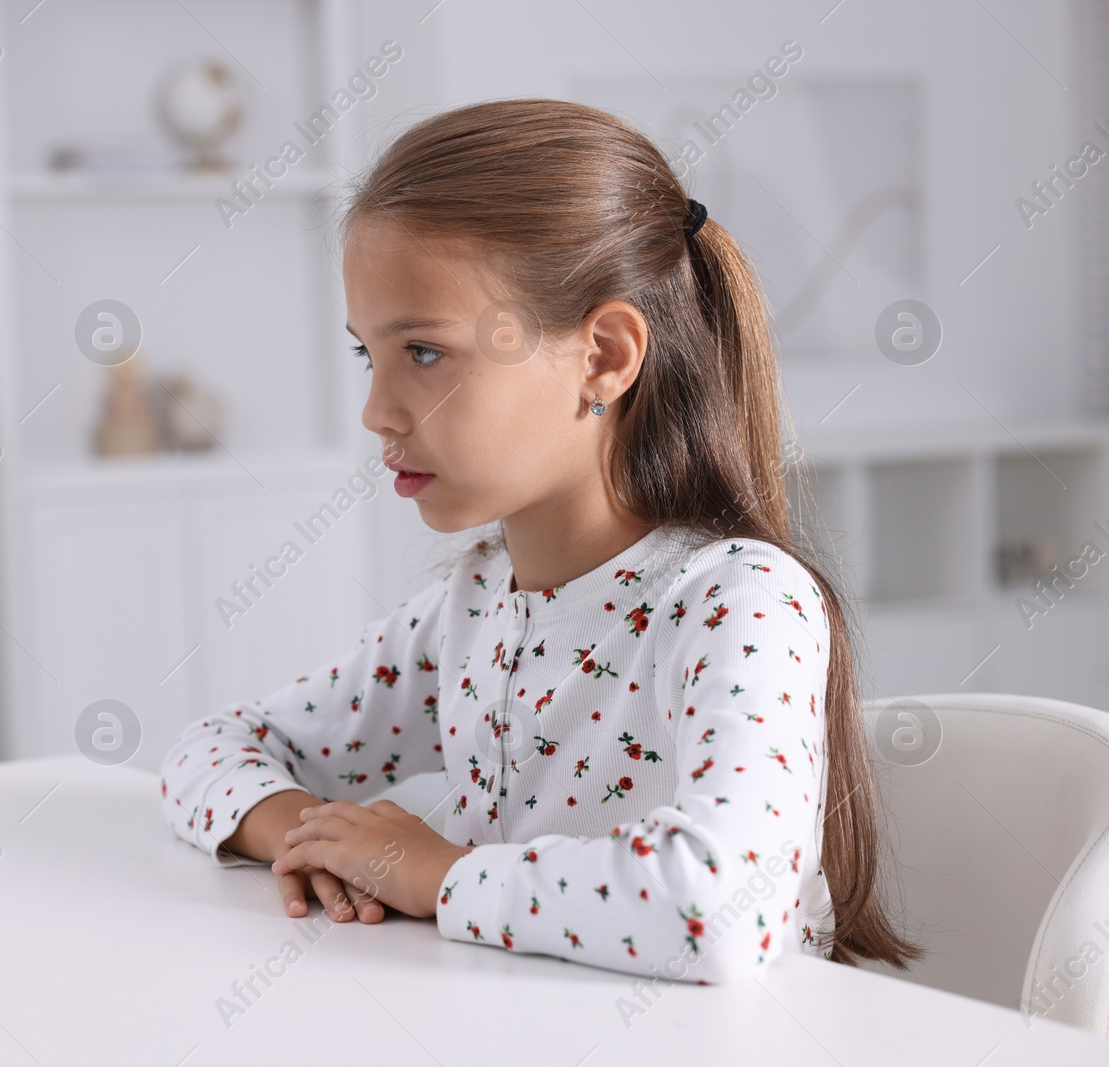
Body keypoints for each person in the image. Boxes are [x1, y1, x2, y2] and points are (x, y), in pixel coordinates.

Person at [158, 99, 920, 982]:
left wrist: (433, 868)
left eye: (426, 353)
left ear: (602, 356)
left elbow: (724, 907)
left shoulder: (737, 600)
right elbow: (208, 749)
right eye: (370, 355)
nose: (376, 412)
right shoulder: (469, 608)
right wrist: (322, 836)